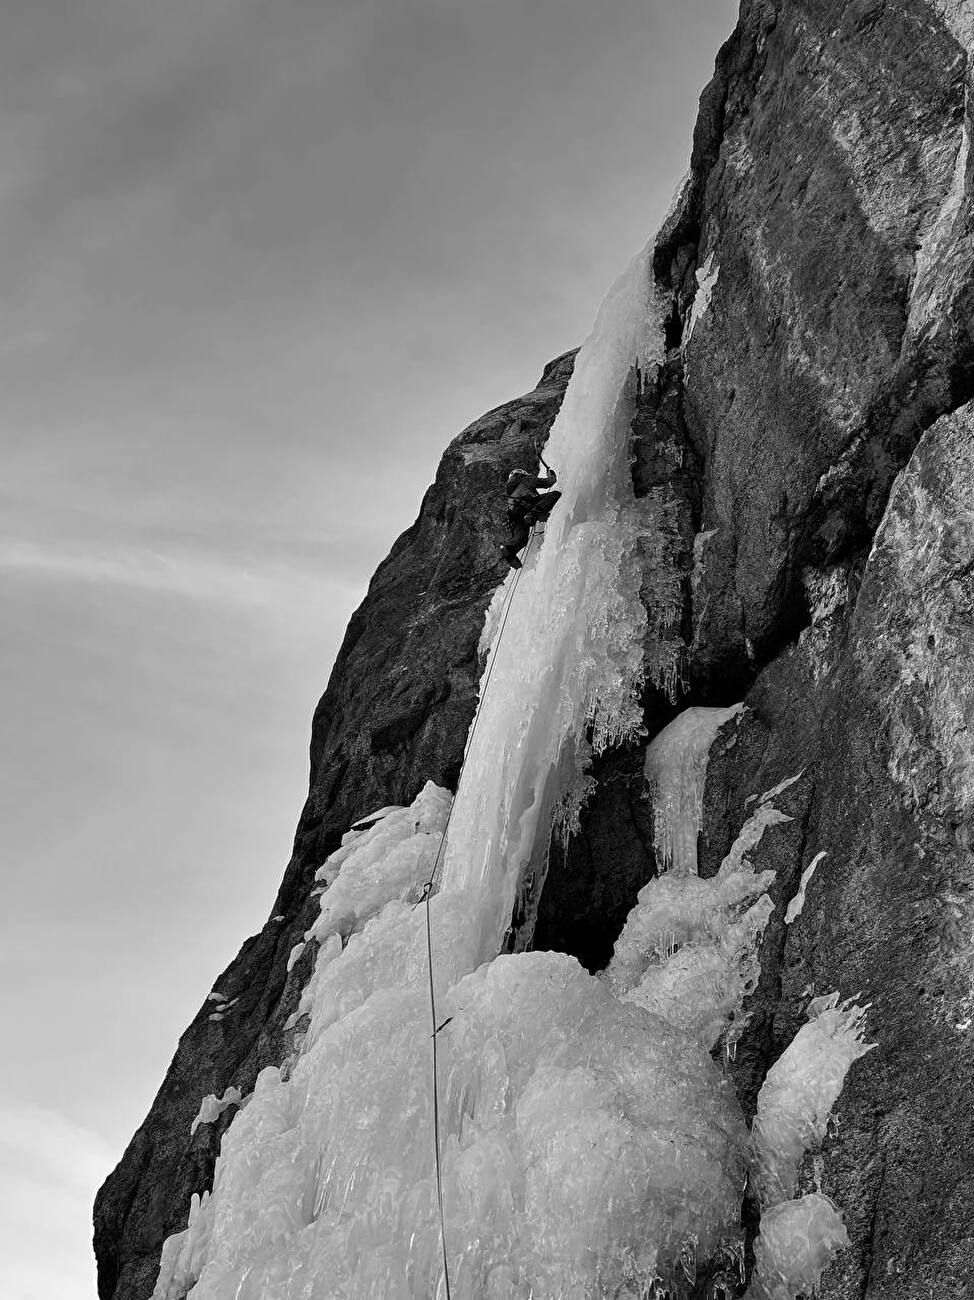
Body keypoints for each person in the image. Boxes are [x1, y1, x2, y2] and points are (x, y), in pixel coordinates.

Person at [499, 464, 560, 569]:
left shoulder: (509, 494)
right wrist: (551, 474)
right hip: (529, 506)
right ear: (521, 474)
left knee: (521, 538)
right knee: (554, 494)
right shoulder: (525, 479)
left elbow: (513, 512)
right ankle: (534, 513)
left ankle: (509, 548)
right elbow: (548, 482)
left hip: (515, 516)